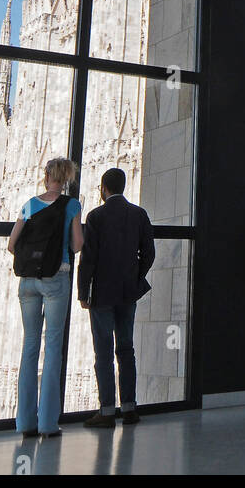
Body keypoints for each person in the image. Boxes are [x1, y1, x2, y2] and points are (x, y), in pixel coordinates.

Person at [8, 157, 83, 438]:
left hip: (27, 283)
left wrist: (32, 262)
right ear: (67, 179)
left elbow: (11, 244)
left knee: (29, 348)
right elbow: (77, 245)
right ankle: (48, 423)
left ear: (46, 175)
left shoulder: (29, 204)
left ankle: (24, 423)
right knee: (52, 348)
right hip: (55, 279)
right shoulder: (71, 205)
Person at [79, 167, 156, 428]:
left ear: (104, 188)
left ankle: (107, 412)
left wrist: (83, 292)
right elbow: (149, 253)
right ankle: (130, 408)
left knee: (103, 352)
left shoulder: (96, 216)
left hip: (101, 294)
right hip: (127, 293)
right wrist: (137, 277)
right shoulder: (139, 214)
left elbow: (87, 259)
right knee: (126, 349)